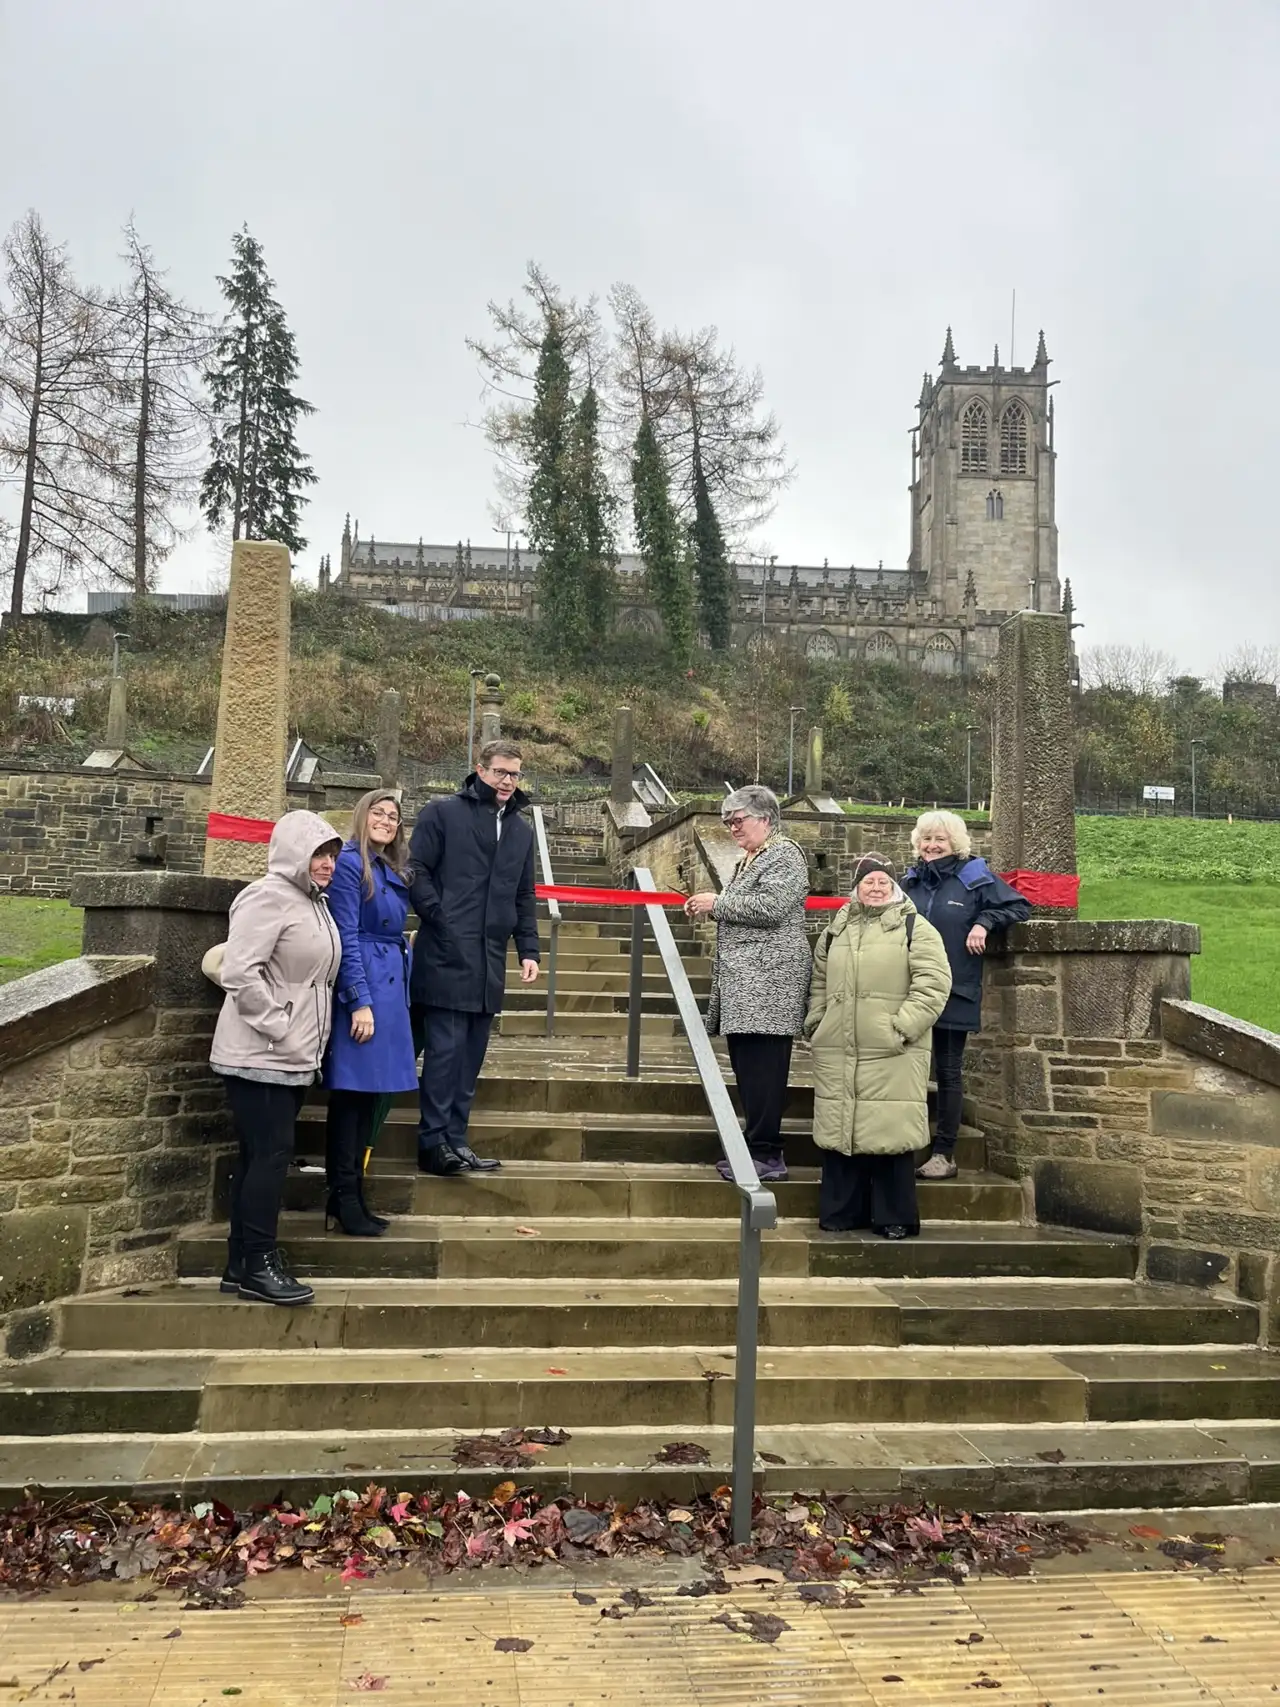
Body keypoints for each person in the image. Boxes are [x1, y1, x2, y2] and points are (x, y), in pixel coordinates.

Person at [209, 811, 343, 1306]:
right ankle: (259, 1264)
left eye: (331, 855)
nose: (327, 863)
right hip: (261, 1054)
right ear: (293, 852)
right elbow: (240, 972)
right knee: (269, 1157)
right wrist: (279, 1026)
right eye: (317, 853)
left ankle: (241, 1264)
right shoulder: (267, 896)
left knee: (259, 1157)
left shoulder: (314, 903)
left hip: (291, 1054)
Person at [408, 739, 540, 1177]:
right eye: (501, 772)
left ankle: (457, 1140)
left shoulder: (521, 830)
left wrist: (528, 949)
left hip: (489, 959)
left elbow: (524, 894)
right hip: (445, 955)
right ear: (479, 770)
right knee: (444, 1055)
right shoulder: (442, 813)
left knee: (470, 1058)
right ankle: (433, 1143)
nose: (508, 781)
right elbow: (417, 871)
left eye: (515, 774)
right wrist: (441, 919)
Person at [804, 853, 951, 1239]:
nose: (875, 887)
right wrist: (818, 1021)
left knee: (890, 1133)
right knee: (843, 1131)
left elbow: (933, 984)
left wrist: (901, 1028)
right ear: (856, 887)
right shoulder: (835, 930)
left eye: (883, 881)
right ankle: (842, 1211)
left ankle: (893, 1216)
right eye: (868, 881)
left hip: (893, 1051)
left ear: (894, 885)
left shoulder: (916, 928)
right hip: (839, 1047)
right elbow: (818, 980)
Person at [685, 785, 811, 1183]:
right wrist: (712, 906)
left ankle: (768, 1153)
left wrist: (717, 903)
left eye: (738, 820)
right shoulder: (751, 859)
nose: (732, 828)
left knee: (764, 1074)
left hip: (769, 987)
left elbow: (772, 907)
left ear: (766, 818)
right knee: (751, 1073)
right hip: (747, 987)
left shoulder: (785, 854)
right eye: (727, 822)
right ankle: (756, 1146)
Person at [901, 811, 1031, 1180]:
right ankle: (901, 1147)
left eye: (940, 839)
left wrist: (983, 922)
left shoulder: (975, 877)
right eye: (926, 839)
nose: (932, 845)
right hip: (909, 992)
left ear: (955, 843)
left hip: (955, 990)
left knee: (947, 1072)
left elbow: (1019, 905)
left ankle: (944, 1153)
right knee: (903, 1071)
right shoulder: (909, 883)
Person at [322, 790, 420, 1236]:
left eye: (393, 816)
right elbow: (345, 934)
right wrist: (359, 1000)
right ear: (362, 817)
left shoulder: (387, 867)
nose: (386, 820)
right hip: (364, 989)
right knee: (351, 1097)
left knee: (366, 1098)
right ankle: (343, 1197)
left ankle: (352, 1195)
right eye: (378, 812)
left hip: (388, 986)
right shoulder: (349, 863)